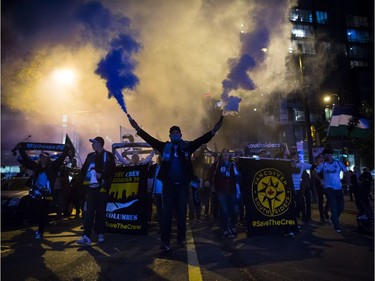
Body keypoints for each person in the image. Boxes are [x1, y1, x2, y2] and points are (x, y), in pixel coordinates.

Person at [127, 114, 223, 252]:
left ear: (181, 134)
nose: (175, 135)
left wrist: (213, 131)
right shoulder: (164, 146)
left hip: (182, 186)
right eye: (173, 134)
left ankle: (181, 239)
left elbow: (202, 140)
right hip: (168, 187)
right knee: (166, 216)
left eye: (177, 133)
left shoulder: (187, 146)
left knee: (181, 214)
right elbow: (150, 140)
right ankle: (165, 241)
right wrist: (137, 129)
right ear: (170, 135)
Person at [16, 147, 70, 239]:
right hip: (35, 194)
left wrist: (65, 151)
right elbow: (27, 161)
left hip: (46, 195)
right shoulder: (36, 167)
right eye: (41, 157)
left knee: (42, 213)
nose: (42, 159)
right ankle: (40, 224)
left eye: (44, 158)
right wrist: (21, 150)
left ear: (48, 159)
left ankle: (40, 231)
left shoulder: (52, 167)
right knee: (31, 211)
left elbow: (60, 160)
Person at [76, 136, 116, 246]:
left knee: (101, 211)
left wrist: (101, 175)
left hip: (102, 187)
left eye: (94, 142)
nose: (92, 145)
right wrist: (83, 187)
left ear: (99, 143)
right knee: (89, 212)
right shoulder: (90, 156)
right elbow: (84, 171)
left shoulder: (108, 155)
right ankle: (86, 236)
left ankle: (100, 233)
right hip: (90, 188)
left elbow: (113, 170)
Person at [206, 148, 241, 238]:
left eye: (227, 153)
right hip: (221, 191)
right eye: (224, 152)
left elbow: (239, 175)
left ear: (229, 155)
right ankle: (225, 229)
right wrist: (207, 180)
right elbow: (210, 172)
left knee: (234, 210)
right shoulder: (217, 164)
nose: (225, 154)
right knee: (224, 210)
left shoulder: (234, 164)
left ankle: (233, 227)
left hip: (232, 191)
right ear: (221, 155)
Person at [313, 148, 349, 233]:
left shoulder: (338, 163)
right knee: (333, 204)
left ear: (331, 155)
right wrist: (320, 180)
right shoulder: (323, 164)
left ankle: (333, 218)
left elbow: (346, 172)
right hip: (328, 187)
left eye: (327, 154)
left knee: (341, 206)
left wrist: (347, 181)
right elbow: (314, 173)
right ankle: (337, 226)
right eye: (325, 155)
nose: (326, 156)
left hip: (338, 187)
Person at [290, 151, 312, 223]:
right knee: (293, 204)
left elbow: (311, 166)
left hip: (298, 187)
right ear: (292, 157)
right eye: (296, 155)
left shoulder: (302, 164)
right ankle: (294, 217)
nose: (297, 156)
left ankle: (303, 217)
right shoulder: (288, 164)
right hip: (291, 188)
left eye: (297, 155)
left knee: (301, 203)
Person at [311, 154, 328, 223]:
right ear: (317, 160)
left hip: (326, 184)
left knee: (329, 198)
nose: (321, 160)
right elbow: (313, 176)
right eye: (320, 159)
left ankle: (325, 210)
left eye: (322, 159)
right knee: (320, 200)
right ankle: (322, 216)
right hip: (318, 185)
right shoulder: (314, 167)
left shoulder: (325, 166)